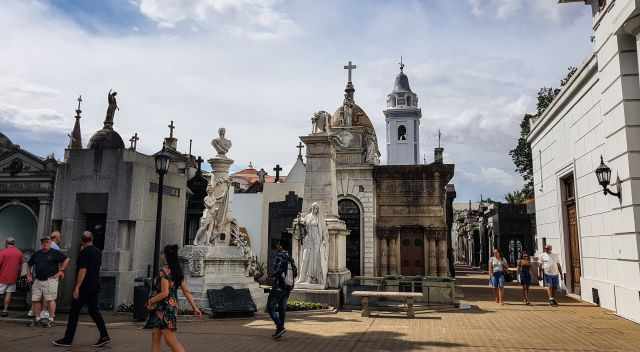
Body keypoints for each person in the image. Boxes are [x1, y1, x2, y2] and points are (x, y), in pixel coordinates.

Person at [52, 231, 110, 348]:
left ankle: (68, 339)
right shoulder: (98, 252)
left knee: (74, 312)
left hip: (84, 286)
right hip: (95, 285)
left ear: (82, 240)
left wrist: (77, 287)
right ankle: (104, 335)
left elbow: (83, 270)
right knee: (94, 311)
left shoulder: (84, 253)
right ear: (92, 239)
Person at [144, 245, 202, 352]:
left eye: (163, 253)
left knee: (170, 340)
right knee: (156, 336)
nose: (161, 255)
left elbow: (165, 293)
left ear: (166, 256)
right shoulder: (178, 272)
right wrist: (195, 308)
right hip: (170, 308)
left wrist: (150, 301)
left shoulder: (164, 272)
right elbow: (186, 291)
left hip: (164, 308)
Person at [27, 236, 69, 327]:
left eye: (47, 242)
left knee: (50, 299)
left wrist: (61, 270)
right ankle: (37, 318)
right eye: (43, 242)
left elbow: (67, 259)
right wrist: (29, 275)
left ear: (50, 243)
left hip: (50, 279)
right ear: (41, 244)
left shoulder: (55, 253)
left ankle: (51, 319)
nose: (45, 244)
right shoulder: (37, 254)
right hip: (38, 279)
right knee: (36, 299)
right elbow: (29, 264)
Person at [267, 240, 297, 339]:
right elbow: (295, 272)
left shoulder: (280, 256)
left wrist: (271, 276)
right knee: (281, 309)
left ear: (280, 246)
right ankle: (279, 330)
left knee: (270, 307)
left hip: (278, 286)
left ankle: (280, 326)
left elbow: (277, 271)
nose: (276, 246)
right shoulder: (290, 257)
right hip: (288, 287)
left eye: (278, 245)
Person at [0, 237, 23, 317]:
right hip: (13, 278)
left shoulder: (3, 252)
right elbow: (20, 266)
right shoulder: (19, 253)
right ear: (14, 243)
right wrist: (18, 275)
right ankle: (5, 310)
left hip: (2, 277)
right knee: (8, 294)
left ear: (6, 243)